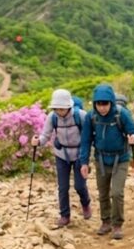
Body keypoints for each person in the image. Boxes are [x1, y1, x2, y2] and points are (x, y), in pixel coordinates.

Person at [78, 83, 134, 240]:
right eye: (98, 104)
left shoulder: (121, 114)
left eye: (105, 103)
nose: (102, 107)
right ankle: (105, 222)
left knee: (117, 193)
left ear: (111, 102)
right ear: (94, 103)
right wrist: (84, 162)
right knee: (103, 193)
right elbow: (85, 141)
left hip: (120, 159)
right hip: (100, 159)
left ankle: (117, 224)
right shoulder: (91, 117)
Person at [32, 89, 92, 228]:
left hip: (79, 154)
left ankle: (86, 203)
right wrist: (38, 141)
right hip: (61, 154)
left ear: (68, 106)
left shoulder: (81, 116)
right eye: (56, 108)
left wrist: (87, 156)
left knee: (79, 185)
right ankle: (65, 215)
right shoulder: (52, 117)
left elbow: (89, 135)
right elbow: (45, 135)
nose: (59, 111)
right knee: (63, 187)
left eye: (62, 108)